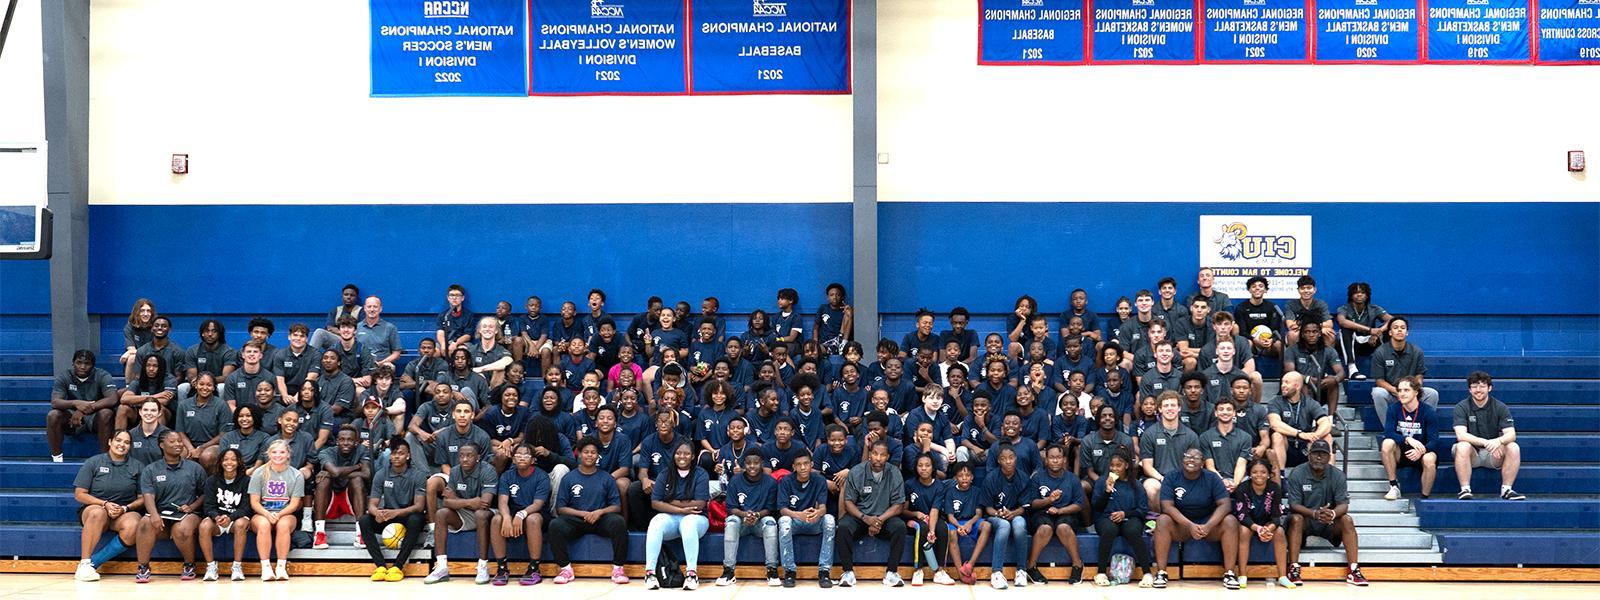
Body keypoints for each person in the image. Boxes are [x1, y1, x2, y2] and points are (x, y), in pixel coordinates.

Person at [1151, 447, 1239, 589]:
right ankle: (1161, 573)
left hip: (1208, 525)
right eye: (1188, 456)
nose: (1191, 460)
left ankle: (1229, 574)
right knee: (1162, 520)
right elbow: (1167, 507)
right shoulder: (1171, 477)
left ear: (1203, 463)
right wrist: (1190, 525)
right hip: (1182, 526)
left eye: (1196, 457)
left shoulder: (1212, 478)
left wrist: (1209, 525)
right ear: (1182, 459)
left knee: (1230, 521)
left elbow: (1225, 505)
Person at [549, 437, 631, 585]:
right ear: (579, 454)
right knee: (555, 525)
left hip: (600, 520)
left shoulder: (606, 477)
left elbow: (616, 506)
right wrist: (584, 514)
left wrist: (599, 512)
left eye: (593, 452)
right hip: (577, 521)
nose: (589, 455)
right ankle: (565, 569)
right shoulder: (569, 478)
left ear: (598, 455)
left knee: (618, 522)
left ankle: (618, 569)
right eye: (586, 452)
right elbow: (561, 508)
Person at [1284, 440, 1366, 586]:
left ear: (1329, 457)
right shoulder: (1297, 472)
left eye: (1323, 454)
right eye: (1315, 454)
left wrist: (1332, 514)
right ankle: (1294, 568)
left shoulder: (1338, 475)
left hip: (1329, 522)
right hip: (1306, 520)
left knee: (1346, 519)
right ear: (1309, 455)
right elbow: (1293, 504)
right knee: (1296, 519)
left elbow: (1343, 505)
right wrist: (1314, 513)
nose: (1319, 457)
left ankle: (1353, 570)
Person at [72, 429, 146, 582]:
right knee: (97, 513)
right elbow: (80, 494)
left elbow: (142, 498)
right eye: (118, 440)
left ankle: (93, 563)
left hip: (124, 510)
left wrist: (125, 508)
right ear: (110, 441)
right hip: (96, 508)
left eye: (126, 442)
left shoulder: (137, 466)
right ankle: (84, 562)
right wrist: (104, 504)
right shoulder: (94, 462)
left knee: (134, 524)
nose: (122, 445)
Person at [133, 430, 206, 583]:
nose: (178, 444)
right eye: (172, 442)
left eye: (179, 441)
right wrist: (153, 515)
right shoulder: (151, 470)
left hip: (188, 513)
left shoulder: (194, 468)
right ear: (161, 445)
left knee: (181, 528)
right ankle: (143, 567)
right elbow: (148, 495)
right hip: (162, 514)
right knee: (145, 524)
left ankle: (189, 565)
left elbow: (205, 494)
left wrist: (192, 507)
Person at [424, 442, 498, 585]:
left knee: (480, 515)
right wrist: (469, 502)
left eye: (469, 456)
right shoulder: (456, 471)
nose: (464, 459)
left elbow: (485, 503)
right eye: (461, 456)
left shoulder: (488, 471)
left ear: (478, 457)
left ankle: (483, 566)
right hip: (466, 512)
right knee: (441, 514)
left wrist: (456, 500)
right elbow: (446, 502)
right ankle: (442, 567)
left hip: (489, 513)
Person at [642, 440, 711, 590]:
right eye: (678, 453)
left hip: (697, 519)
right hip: (672, 518)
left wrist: (670, 501)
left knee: (688, 523)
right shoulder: (665, 473)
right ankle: (650, 573)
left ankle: (692, 574)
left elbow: (699, 504)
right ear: (673, 455)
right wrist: (681, 509)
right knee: (655, 522)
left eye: (686, 453)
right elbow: (655, 502)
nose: (682, 456)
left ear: (693, 456)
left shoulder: (700, 474)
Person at [837, 439, 906, 587]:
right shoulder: (857, 471)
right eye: (875, 453)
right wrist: (865, 518)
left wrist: (878, 520)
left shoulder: (894, 472)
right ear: (870, 454)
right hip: (860, 517)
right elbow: (848, 502)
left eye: (882, 455)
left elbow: (899, 505)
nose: (878, 458)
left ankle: (891, 573)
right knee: (843, 527)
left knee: (900, 527)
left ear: (887, 456)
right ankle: (847, 572)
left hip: (884, 517)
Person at [360, 438, 428, 582]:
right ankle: (380, 566)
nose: (396, 456)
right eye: (393, 453)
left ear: (408, 456)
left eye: (401, 453)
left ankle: (398, 566)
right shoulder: (381, 474)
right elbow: (372, 504)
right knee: (364, 520)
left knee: (416, 519)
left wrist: (395, 513)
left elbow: (419, 506)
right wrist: (376, 512)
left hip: (408, 516)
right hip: (389, 516)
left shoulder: (418, 475)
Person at [1451, 371, 1525, 500]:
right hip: (1471, 454)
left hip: (1494, 455)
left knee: (1513, 447)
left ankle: (1507, 490)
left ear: (1489, 388)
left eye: (1482, 386)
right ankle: (1465, 490)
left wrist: (1498, 442)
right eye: (1474, 386)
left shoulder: (1500, 407)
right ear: (1469, 389)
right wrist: (1487, 442)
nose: (1478, 390)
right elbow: (1461, 435)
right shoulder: (1461, 407)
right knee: (1462, 445)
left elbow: (1511, 434)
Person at [1090, 449, 1154, 587]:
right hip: (1106, 518)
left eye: (1118, 465)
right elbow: (1097, 507)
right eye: (1112, 465)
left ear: (1126, 466)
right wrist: (1107, 492)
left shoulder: (1136, 485)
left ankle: (1147, 573)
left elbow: (1142, 510)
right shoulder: (1102, 482)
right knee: (1109, 529)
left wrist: (1125, 514)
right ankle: (1101, 572)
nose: (1114, 468)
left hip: (1130, 518)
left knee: (1132, 530)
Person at [490, 443, 551, 585]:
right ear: (513, 459)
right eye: (518, 455)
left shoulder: (542, 476)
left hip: (535, 512)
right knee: (496, 519)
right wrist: (506, 517)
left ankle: (534, 568)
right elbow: (503, 501)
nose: (522, 458)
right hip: (513, 510)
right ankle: (502, 568)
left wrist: (521, 514)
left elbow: (538, 504)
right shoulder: (507, 476)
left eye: (526, 455)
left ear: (533, 460)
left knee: (533, 520)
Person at [718, 450, 780, 587]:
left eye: (756, 463)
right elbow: (731, 508)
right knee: (732, 521)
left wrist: (756, 515)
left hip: (760, 522)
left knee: (770, 523)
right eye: (749, 463)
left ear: (762, 464)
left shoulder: (770, 482)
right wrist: (745, 515)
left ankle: (772, 570)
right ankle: (728, 570)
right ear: (744, 464)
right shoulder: (735, 480)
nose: (752, 466)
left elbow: (770, 509)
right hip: (742, 521)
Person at [1025, 443, 1085, 585]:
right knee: (1045, 528)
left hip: (1066, 513)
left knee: (1063, 527)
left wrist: (1060, 510)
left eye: (1058, 457)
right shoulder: (1037, 477)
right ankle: (1030, 566)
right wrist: (1048, 500)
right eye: (1052, 458)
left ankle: (1077, 566)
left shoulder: (1072, 479)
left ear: (1064, 459)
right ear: (1046, 460)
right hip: (1042, 514)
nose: (1055, 460)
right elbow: (1032, 503)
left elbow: (1078, 505)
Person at [777, 449, 835, 587]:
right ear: (794, 466)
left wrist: (817, 513)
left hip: (813, 520)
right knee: (784, 521)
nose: (803, 467)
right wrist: (799, 515)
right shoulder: (786, 481)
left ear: (812, 464)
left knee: (830, 520)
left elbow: (823, 507)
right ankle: (789, 571)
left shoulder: (819, 480)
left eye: (806, 463)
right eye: (799, 464)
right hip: (795, 521)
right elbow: (783, 509)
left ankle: (824, 572)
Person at [249, 438, 306, 581]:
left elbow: (294, 504)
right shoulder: (259, 473)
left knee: (284, 524)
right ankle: (266, 568)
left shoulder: (297, 475)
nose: (278, 455)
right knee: (263, 524)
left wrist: (278, 514)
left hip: (285, 513)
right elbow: (254, 502)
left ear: (288, 454)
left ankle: (281, 567)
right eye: (274, 452)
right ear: (268, 454)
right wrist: (267, 514)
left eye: (282, 452)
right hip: (262, 512)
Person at [1139, 392, 1201, 521]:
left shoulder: (1191, 436)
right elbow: (1147, 466)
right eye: (1166, 405)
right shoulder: (1149, 434)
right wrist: (1163, 480)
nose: (1170, 408)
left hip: (1184, 478)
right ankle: (1154, 523)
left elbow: (1195, 466)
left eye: (1173, 405)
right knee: (1150, 487)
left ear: (1179, 408)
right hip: (1158, 478)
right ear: (1160, 409)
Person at [48, 349, 119, 462]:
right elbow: (55, 402)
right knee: (53, 415)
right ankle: (57, 458)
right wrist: (75, 403)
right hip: (72, 416)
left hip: (96, 417)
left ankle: (106, 460)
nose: (82, 367)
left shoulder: (102, 375)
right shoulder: (65, 376)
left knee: (107, 413)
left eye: (87, 364)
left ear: (93, 366)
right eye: (79, 362)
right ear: (73, 363)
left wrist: (84, 409)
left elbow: (112, 399)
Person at [1232, 458, 1292, 589]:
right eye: (1255, 472)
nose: (1259, 475)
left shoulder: (1275, 488)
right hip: (1249, 523)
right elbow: (1242, 515)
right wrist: (1257, 528)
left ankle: (1282, 576)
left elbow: (1277, 515)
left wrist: (1268, 528)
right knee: (1243, 531)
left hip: (1267, 523)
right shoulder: (1242, 488)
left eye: (1263, 472)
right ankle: (1242, 575)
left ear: (1269, 474)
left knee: (1280, 532)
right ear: (1249, 474)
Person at [982, 443, 1034, 589]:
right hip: (995, 516)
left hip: (1015, 513)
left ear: (1016, 459)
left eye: (1011, 457)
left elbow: (1024, 508)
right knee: (1004, 525)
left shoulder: (1023, 477)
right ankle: (996, 572)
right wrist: (999, 513)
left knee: (1019, 524)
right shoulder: (991, 478)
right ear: (999, 461)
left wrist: (1013, 513)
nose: (1008, 461)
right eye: (1004, 459)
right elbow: (988, 508)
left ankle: (1021, 570)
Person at [1370, 316, 1439, 426]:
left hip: (1411, 393)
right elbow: (1379, 381)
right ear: (1390, 332)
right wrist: (1397, 391)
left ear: (1407, 332)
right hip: (1392, 393)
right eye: (1396, 327)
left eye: (1403, 328)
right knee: (1378, 393)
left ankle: (1420, 428)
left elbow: (1419, 376)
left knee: (1432, 393)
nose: (1399, 330)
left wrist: (1413, 390)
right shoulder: (1380, 352)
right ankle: (1390, 430)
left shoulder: (1417, 351)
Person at [1382, 377, 1443, 500]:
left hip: (1422, 451)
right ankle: (1394, 486)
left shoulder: (1428, 411)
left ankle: (1424, 498)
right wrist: (1407, 439)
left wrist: (1421, 450)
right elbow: (1388, 432)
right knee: (1387, 443)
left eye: (1406, 390)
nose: (1402, 394)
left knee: (1430, 458)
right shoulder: (1394, 409)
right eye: (1399, 390)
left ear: (1416, 392)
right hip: (1401, 451)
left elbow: (1434, 440)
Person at [313, 425, 371, 549]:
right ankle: (319, 533)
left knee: (357, 480)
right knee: (323, 480)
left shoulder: (362, 450)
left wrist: (335, 473)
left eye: (350, 440)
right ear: (337, 441)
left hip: (351, 498)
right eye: (342, 439)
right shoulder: (326, 452)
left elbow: (366, 474)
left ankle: (361, 534)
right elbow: (335, 472)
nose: (345, 443)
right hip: (330, 499)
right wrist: (356, 467)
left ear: (356, 442)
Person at [197, 448, 250, 581]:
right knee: (204, 525)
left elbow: (246, 507)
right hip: (218, 519)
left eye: (233, 459)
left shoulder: (246, 481)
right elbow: (208, 506)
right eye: (225, 459)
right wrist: (216, 517)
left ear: (239, 462)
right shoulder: (212, 481)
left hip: (235, 519)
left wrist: (230, 517)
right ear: (220, 462)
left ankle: (237, 566)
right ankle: (211, 567)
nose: (229, 462)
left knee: (241, 523)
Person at [1267, 372, 1333, 476]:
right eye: (1282, 382)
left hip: (1306, 447)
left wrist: (1316, 435)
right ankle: (1281, 477)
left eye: (1287, 382)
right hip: (1286, 448)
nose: (1283, 385)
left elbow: (1326, 423)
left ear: (1297, 386)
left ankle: (1329, 477)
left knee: (1327, 436)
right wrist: (1298, 433)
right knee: (1277, 435)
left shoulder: (1310, 402)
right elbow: (1275, 423)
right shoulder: (1275, 402)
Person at [903, 452, 954, 586]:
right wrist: (916, 514)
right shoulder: (909, 484)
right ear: (916, 467)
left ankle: (940, 571)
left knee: (942, 528)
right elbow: (903, 510)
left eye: (927, 465)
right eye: (920, 465)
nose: (924, 468)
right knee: (922, 528)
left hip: (932, 517)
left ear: (933, 468)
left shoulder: (939, 486)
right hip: (913, 519)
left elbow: (934, 510)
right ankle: (918, 570)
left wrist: (932, 532)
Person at [941, 461, 990, 585]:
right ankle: (961, 573)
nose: (964, 478)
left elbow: (978, 513)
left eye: (967, 475)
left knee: (987, 525)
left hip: (971, 521)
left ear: (972, 477)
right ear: (955, 478)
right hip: (956, 522)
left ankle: (969, 565)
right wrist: (959, 526)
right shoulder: (950, 492)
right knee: (951, 533)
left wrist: (969, 524)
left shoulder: (977, 491)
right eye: (961, 476)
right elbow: (950, 516)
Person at [1284, 320, 1345, 413]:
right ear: (1302, 334)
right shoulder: (1292, 350)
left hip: (1320, 386)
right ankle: (1309, 417)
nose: (1311, 335)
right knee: (1302, 383)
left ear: (1320, 333)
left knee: (1333, 382)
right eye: (1307, 332)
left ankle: (1331, 418)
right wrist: (1308, 379)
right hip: (1298, 390)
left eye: (1314, 332)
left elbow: (1341, 372)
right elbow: (1290, 372)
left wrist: (1335, 379)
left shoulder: (1328, 350)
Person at [1335, 282, 1392, 379]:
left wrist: (1378, 332)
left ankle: (1388, 366)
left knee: (1391, 329)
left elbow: (1392, 320)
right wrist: (1369, 330)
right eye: (1356, 292)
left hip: (1370, 343)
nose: (1359, 295)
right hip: (1352, 343)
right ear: (1351, 295)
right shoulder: (1344, 308)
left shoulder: (1374, 308)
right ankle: (1352, 369)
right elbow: (1342, 322)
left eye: (1362, 292)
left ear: (1367, 295)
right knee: (1345, 329)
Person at [175, 372, 230, 471]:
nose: (205, 388)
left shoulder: (221, 405)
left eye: (209, 385)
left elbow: (223, 434)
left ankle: (208, 484)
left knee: (207, 456)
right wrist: (191, 449)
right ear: (196, 385)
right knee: (179, 453)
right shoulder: (183, 405)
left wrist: (201, 448)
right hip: (188, 444)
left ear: (213, 388)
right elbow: (180, 432)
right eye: (201, 384)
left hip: (212, 445)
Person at [1200, 399, 1253, 492]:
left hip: (1239, 480)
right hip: (1216, 479)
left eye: (1229, 409)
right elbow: (1210, 466)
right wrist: (1221, 481)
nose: (1225, 412)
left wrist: (1235, 484)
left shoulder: (1246, 437)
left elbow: (1241, 464)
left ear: (1234, 413)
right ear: (1216, 413)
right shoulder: (1205, 437)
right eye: (1221, 409)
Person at [1232, 277, 1284, 360]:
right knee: (1247, 343)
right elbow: (1242, 332)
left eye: (1260, 286)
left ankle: (1285, 372)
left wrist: (1271, 340)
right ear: (1249, 290)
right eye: (1253, 286)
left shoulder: (1272, 307)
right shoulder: (1241, 308)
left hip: (1268, 344)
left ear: (1265, 290)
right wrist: (1254, 340)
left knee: (1279, 344)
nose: (1257, 288)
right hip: (1251, 342)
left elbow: (1276, 330)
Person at [1282, 275, 1335, 347]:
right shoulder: (1291, 304)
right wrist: (1316, 326)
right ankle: (1294, 358)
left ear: (1314, 290)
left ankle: (1324, 358)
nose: (1306, 291)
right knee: (1292, 334)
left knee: (1329, 333)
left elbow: (1329, 324)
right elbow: (1291, 325)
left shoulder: (1321, 304)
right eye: (1302, 288)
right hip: (1301, 332)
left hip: (1309, 329)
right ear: (1298, 290)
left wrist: (1315, 329)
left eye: (1309, 288)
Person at [185, 319, 237, 383]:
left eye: (214, 331)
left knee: (222, 387)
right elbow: (192, 376)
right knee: (183, 387)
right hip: (198, 385)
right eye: (207, 331)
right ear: (202, 333)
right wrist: (202, 384)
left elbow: (226, 377)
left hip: (218, 384)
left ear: (219, 334)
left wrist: (207, 382)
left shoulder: (229, 352)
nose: (210, 334)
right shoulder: (192, 351)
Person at [815, 283, 854, 356]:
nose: (834, 297)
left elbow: (848, 322)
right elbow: (815, 328)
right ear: (828, 297)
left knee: (848, 313)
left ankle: (842, 345)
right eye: (831, 295)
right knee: (813, 349)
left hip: (838, 341)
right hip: (824, 343)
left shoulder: (846, 310)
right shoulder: (823, 308)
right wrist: (815, 342)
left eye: (838, 295)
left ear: (842, 297)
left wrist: (850, 314)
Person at [436, 284, 475, 358]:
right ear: (448, 298)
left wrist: (455, 343)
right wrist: (443, 344)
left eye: (457, 295)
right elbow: (440, 333)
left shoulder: (468, 315)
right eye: (451, 295)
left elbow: (468, 335)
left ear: (462, 298)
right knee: (434, 351)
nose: (454, 298)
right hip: (446, 342)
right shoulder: (443, 315)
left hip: (461, 343)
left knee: (462, 352)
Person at [120, 298, 157, 367]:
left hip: (154, 357)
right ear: (137, 312)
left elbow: (156, 349)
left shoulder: (156, 326)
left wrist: (128, 353)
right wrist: (129, 352)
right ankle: (130, 378)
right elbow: (131, 349)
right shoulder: (129, 328)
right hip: (137, 358)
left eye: (148, 311)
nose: (146, 314)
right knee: (132, 358)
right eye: (142, 311)